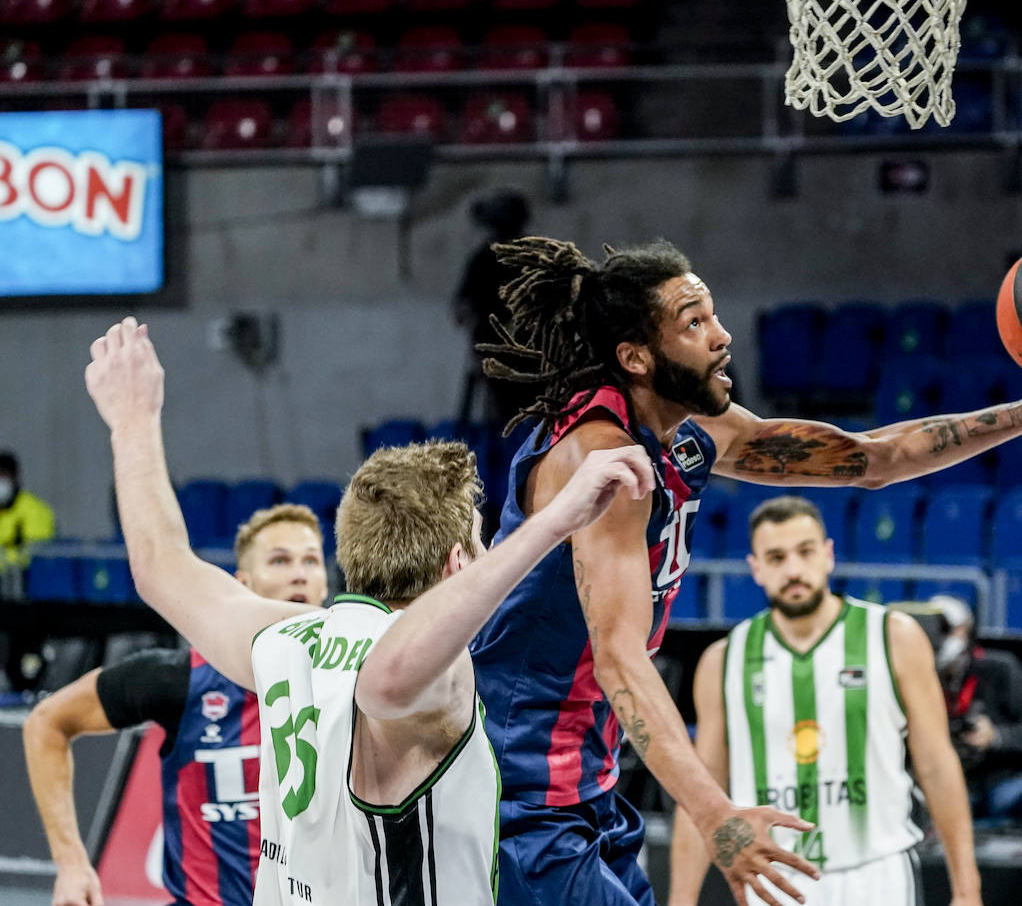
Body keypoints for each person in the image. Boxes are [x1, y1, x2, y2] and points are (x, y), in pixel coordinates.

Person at [467, 235, 1022, 906]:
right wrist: (715, 814)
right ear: (636, 357)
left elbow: (872, 458)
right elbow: (619, 660)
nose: (722, 336)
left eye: (713, 314)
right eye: (694, 323)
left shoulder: (692, 433)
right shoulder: (602, 461)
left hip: (585, 778)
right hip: (521, 780)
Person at [82, 317, 655, 905]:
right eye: (480, 544)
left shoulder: (286, 637)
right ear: (459, 564)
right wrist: (553, 522)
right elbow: (384, 680)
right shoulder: (439, 675)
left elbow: (160, 566)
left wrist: (132, 422)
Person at [666, 496, 980, 906]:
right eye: (776, 558)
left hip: (877, 874)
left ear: (828, 555)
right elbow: (702, 792)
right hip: (773, 878)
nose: (794, 570)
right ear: (756, 568)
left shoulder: (894, 637)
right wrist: (681, 899)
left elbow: (937, 765)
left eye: (805, 552)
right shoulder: (723, 661)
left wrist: (967, 890)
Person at [23, 503, 330, 906]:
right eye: (280, 560)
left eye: (311, 560)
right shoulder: (181, 680)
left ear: (326, 584)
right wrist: (71, 864)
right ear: (241, 586)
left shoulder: (353, 683)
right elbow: (46, 722)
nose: (299, 573)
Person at [923, 594, 1022, 858]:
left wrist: (996, 736)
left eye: (946, 629)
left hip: (998, 783)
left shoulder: (1001, 669)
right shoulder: (913, 678)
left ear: (965, 630)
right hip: (937, 786)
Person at [451, 189, 535, 428]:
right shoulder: (532, 257)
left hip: (519, 358)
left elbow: (461, 310)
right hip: (509, 358)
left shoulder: (488, 259)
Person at [0, 449, 56, 572]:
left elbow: (36, 554)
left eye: (4, 476)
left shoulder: (34, 510)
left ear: (15, 478)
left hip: (23, 578)